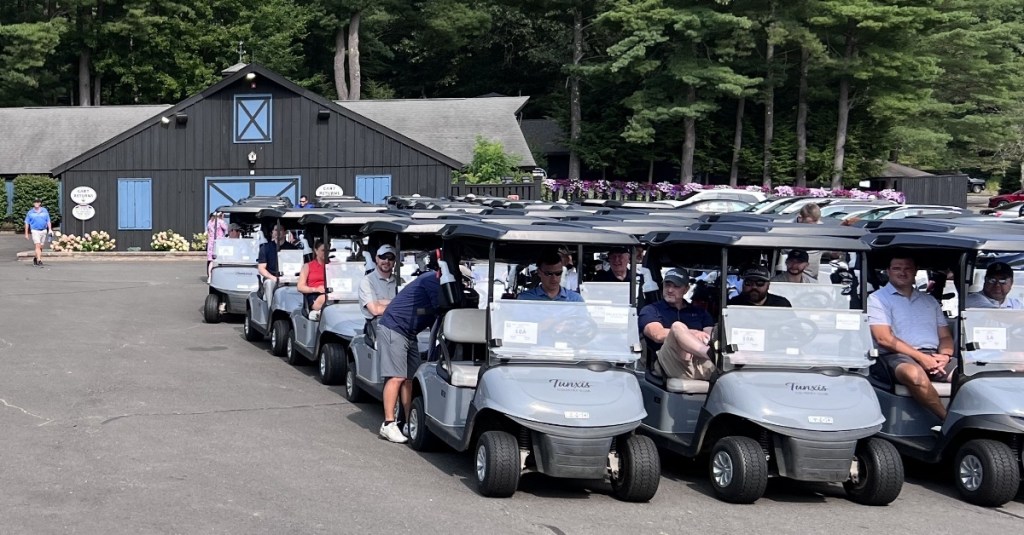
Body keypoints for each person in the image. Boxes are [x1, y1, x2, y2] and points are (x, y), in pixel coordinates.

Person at [868, 255, 955, 423]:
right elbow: (883, 338)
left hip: (934, 355)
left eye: (907, 268)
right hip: (896, 356)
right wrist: (921, 357)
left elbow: (945, 336)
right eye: (897, 268)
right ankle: (947, 422)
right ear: (888, 271)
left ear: (915, 271)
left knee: (971, 377)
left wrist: (945, 356)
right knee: (914, 374)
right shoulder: (878, 299)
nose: (902, 272)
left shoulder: (929, 300)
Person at [377, 269, 443, 443]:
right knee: (397, 376)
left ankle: (406, 422)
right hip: (394, 326)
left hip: (410, 332)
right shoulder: (432, 280)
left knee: (409, 379)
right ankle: (388, 424)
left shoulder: (440, 284)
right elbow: (442, 307)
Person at [638, 268, 717, 380]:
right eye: (667, 285)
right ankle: (710, 355)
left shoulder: (700, 312)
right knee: (677, 327)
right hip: (668, 363)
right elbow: (657, 335)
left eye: (676, 286)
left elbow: (709, 337)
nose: (670, 290)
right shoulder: (651, 310)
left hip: (699, 362)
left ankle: (715, 359)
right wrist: (693, 333)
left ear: (686, 289)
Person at [518, 251, 584, 302]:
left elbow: (585, 319)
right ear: (539, 272)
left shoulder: (575, 299)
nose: (554, 278)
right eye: (548, 274)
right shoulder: (525, 299)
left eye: (558, 273)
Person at [257, 224, 297, 300]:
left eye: (280, 230)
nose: (278, 232)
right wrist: (274, 278)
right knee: (269, 284)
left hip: (289, 279)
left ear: (285, 232)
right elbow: (261, 268)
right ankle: (270, 310)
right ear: (272, 232)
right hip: (271, 278)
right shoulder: (265, 248)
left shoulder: (293, 249)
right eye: (275, 230)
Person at [359, 245, 398, 320]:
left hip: (398, 325)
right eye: (383, 257)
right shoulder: (367, 281)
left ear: (394, 261)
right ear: (377, 258)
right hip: (375, 327)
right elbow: (375, 310)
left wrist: (383, 302)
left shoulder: (400, 281)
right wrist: (398, 305)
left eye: (390, 258)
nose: (386, 261)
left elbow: (409, 304)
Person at [728, 266, 793, 307]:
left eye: (760, 283)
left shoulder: (781, 305)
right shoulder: (733, 305)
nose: (754, 287)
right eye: (749, 282)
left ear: (768, 285)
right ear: (743, 284)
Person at [297, 240, 327, 320]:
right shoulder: (307, 266)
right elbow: (300, 287)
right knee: (325, 298)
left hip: (331, 294)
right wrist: (316, 289)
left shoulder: (333, 266)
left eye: (328, 250)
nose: (326, 253)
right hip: (314, 295)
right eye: (323, 250)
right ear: (316, 251)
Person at [24, 197, 52, 267]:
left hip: (43, 230)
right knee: (37, 245)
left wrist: (50, 229)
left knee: (41, 246)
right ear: (33, 203)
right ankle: (39, 260)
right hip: (35, 230)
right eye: (35, 202)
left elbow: (48, 220)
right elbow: (27, 223)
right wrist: (26, 233)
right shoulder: (30, 212)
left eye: (38, 202)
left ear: (40, 203)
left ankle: (35, 258)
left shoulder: (44, 211)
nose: (36, 203)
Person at [206, 212, 228, 281]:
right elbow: (226, 229)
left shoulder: (210, 222)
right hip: (219, 242)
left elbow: (208, 232)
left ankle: (210, 276)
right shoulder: (220, 222)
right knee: (220, 259)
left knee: (211, 260)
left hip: (211, 242)